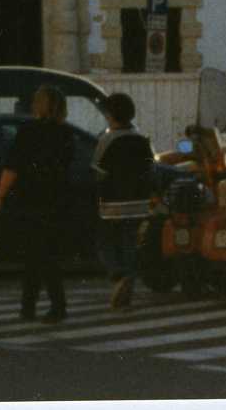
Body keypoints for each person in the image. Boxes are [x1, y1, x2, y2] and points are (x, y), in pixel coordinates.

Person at [0, 84, 76, 322]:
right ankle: (52, 305)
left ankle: (32, 306)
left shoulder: (28, 132)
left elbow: (12, 168)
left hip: (29, 198)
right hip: (56, 199)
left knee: (32, 255)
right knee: (48, 254)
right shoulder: (66, 133)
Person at [92, 92, 155, 310]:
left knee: (104, 243)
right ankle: (128, 284)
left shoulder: (106, 139)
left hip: (111, 204)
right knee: (129, 244)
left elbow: (97, 171)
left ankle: (118, 276)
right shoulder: (142, 138)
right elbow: (150, 169)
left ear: (109, 115)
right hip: (138, 203)